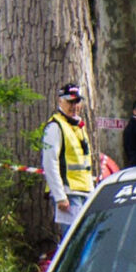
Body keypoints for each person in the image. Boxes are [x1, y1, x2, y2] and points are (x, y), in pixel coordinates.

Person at [41, 83, 93, 236]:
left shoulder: (78, 125)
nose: (74, 106)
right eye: (70, 102)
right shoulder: (55, 127)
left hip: (84, 191)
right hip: (68, 193)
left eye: (77, 102)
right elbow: (49, 163)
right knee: (73, 240)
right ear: (60, 101)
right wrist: (59, 196)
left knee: (84, 239)